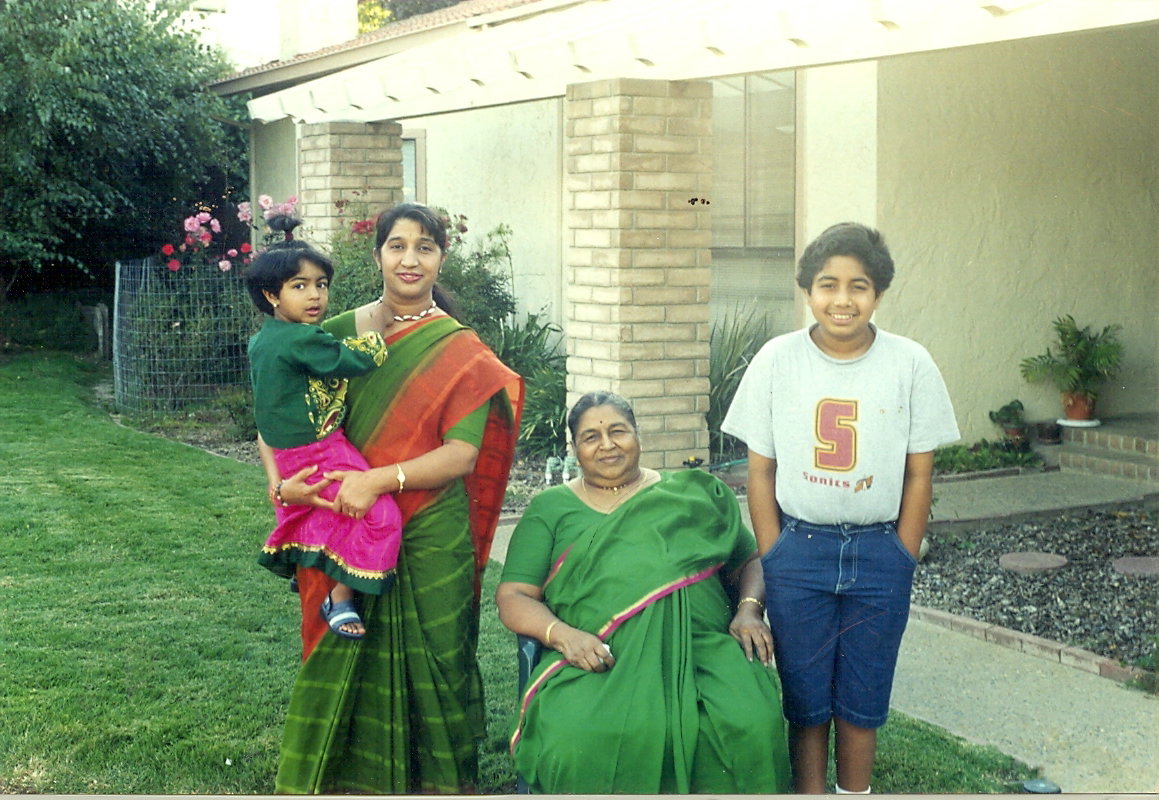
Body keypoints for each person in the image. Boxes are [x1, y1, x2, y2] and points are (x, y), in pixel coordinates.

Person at [263, 202, 523, 794]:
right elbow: (271, 420)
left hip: (431, 528)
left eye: (424, 247)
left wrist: (377, 481)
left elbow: (461, 455)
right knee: (341, 649)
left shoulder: (460, 351)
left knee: (439, 657)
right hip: (340, 522)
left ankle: (438, 786)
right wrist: (282, 488)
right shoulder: (329, 335)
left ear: (440, 259)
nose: (410, 259)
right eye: (397, 245)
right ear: (377, 254)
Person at [722, 222, 960, 794]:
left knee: (863, 700)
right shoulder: (778, 359)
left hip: (879, 553)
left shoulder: (910, 362)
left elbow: (919, 472)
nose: (843, 299)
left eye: (859, 286)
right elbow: (760, 471)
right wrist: (775, 552)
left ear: (878, 293)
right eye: (828, 285)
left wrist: (903, 553)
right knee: (806, 701)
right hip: (800, 551)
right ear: (808, 290)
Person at [496, 391, 792, 794]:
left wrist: (749, 610)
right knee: (577, 737)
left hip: (702, 649)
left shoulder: (689, 495)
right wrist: (564, 637)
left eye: (618, 431)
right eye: (591, 437)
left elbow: (751, 559)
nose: (607, 444)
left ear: (638, 435)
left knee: (750, 722)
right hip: (599, 655)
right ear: (575, 448)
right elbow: (514, 595)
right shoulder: (550, 509)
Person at [246, 239, 403, 640]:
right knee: (379, 515)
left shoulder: (263, 340)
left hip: (288, 456)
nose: (315, 295)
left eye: (321, 284)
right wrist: (375, 329)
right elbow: (356, 359)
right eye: (299, 286)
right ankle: (340, 596)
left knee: (320, 514)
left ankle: (309, 566)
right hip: (320, 451)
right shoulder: (301, 340)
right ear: (271, 295)